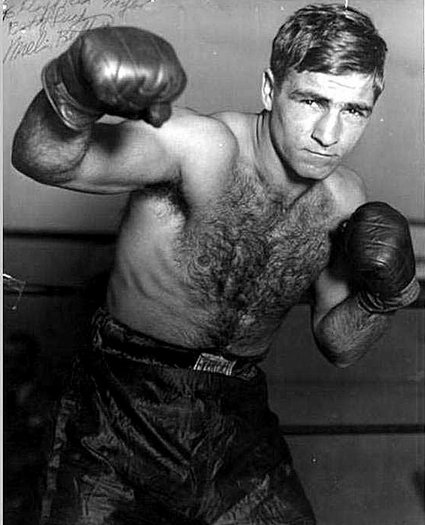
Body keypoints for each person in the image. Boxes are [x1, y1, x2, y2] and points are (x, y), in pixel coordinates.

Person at [11, 3, 420, 524]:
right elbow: (42, 158)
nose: (328, 133)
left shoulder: (344, 200)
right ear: (271, 90)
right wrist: (71, 91)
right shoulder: (200, 147)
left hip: (237, 418)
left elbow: (340, 345)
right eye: (313, 100)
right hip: (120, 407)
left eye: (354, 110)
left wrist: (386, 296)